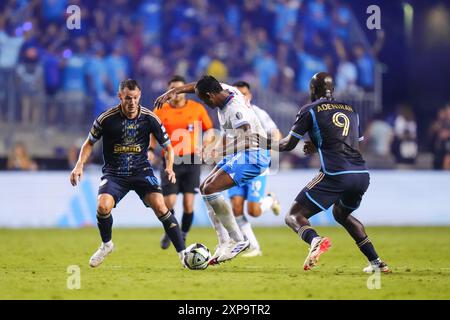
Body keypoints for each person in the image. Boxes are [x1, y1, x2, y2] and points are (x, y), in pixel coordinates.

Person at [266, 72, 389, 273]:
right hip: (361, 174)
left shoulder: (310, 110)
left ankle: (315, 240)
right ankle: (377, 263)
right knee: (341, 214)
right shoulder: (351, 110)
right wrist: (316, 144)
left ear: (313, 90)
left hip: (336, 173)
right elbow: (350, 144)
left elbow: (288, 144)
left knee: (293, 216)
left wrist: (261, 142)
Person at [154, 75, 271, 265]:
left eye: (202, 98)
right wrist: (174, 91)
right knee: (205, 188)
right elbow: (197, 86)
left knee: (210, 189)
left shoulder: (235, 110)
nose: (202, 102)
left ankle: (239, 240)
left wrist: (218, 151)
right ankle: (225, 241)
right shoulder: (223, 90)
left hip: (253, 155)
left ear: (210, 95)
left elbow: (248, 139)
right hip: (242, 152)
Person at [70, 79, 186, 268]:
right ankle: (107, 245)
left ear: (140, 96)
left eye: (135, 98)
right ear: (120, 97)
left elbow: (168, 147)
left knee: (160, 206)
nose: (132, 102)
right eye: (128, 98)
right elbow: (89, 143)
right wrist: (79, 165)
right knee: (103, 206)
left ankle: (183, 254)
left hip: (141, 170)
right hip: (115, 173)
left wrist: (170, 167)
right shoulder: (106, 118)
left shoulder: (150, 118)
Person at [151, 75, 214, 250]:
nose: (176, 93)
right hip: (170, 160)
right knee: (169, 203)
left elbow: (209, 130)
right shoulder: (161, 110)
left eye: (179, 89)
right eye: (172, 89)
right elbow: (152, 132)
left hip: (192, 158)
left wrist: (205, 144)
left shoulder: (197, 108)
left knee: (188, 203)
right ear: (168, 92)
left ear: (185, 91)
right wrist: (150, 150)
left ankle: (183, 234)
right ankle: (171, 231)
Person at [229, 81, 282, 257]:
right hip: (236, 165)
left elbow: (276, 134)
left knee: (254, 211)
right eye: (238, 93)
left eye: (244, 93)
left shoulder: (258, 113)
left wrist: (267, 145)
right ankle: (253, 247)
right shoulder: (229, 113)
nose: (241, 97)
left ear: (249, 95)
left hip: (254, 166)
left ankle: (270, 201)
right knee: (236, 207)